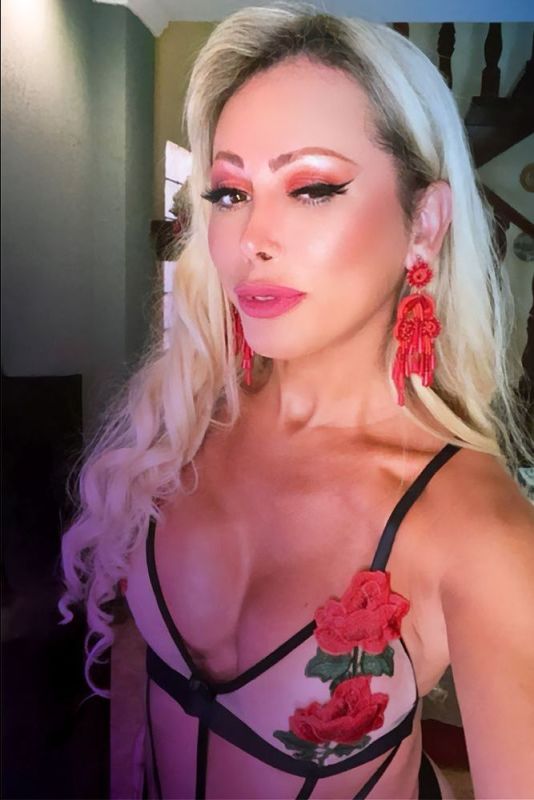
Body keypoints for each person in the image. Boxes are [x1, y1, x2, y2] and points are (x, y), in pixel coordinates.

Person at [59, 3, 534, 798]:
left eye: (312, 188)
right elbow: (134, 664)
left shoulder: (482, 533)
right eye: (229, 193)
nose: (252, 239)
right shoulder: (179, 423)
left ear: (424, 223)